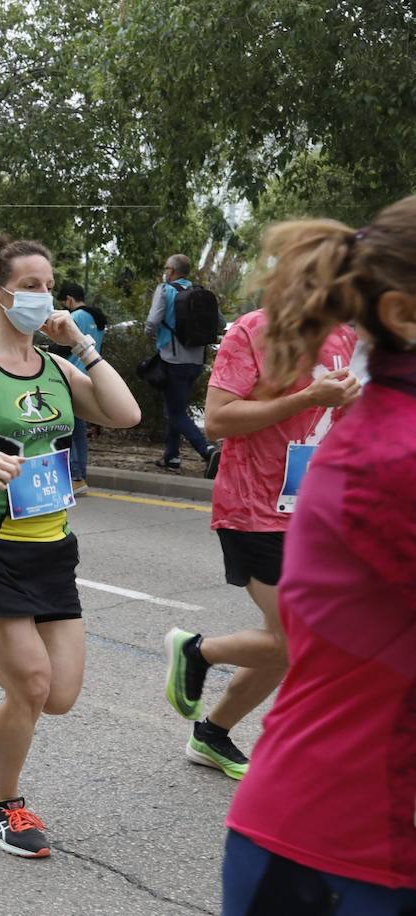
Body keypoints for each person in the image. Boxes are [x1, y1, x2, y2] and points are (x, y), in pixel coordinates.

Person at [0, 235, 139, 858]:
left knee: (59, 695)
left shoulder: (62, 370)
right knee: (32, 685)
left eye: (47, 285)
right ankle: (2, 803)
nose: (42, 296)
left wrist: (83, 346)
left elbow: (127, 415)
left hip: (50, 545)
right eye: (30, 286)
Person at [220, 197, 416, 915]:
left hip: (351, 834)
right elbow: (217, 417)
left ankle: (203, 678)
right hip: (336, 856)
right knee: (282, 640)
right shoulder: (396, 454)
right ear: (401, 314)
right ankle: (204, 679)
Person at [163, 301, 357, 780]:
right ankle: (197, 652)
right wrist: (307, 397)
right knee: (301, 638)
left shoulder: (345, 336)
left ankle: (212, 734)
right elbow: (218, 421)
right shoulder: (254, 330)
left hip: (316, 509)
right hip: (254, 508)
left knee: (285, 639)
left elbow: (339, 425)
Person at [145, 254, 220, 473]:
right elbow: (220, 322)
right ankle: (172, 456)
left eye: (166, 268)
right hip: (196, 361)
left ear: (171, 270)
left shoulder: (165, 290)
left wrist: (149, 333)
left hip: (172, 359)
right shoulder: (201, 292)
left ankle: (207, 449)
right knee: (175, 407)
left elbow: (152, 321)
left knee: (175, 413)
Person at [58, 283, 106, 493]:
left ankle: (75, 476)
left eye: (63, 303)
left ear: (69, 299)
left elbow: (61, 346)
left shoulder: (75, 317)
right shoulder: (98, 318)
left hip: (71, 376)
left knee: (68, 430)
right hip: (90, 375)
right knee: (79, 432)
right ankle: (80, 477)